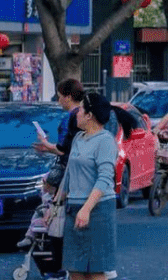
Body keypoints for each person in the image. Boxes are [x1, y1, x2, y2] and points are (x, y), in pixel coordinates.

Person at [61, 93, 119, 280]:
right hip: (74, 208)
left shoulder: (105, 140)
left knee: (95, 271)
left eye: (81, 108)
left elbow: (105, 178)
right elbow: (69, 174)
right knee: (74, 269)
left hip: (98, 210)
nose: (76, 112)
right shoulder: (78, 137)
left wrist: (86, 209)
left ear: (89, 115)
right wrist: (55, 204)